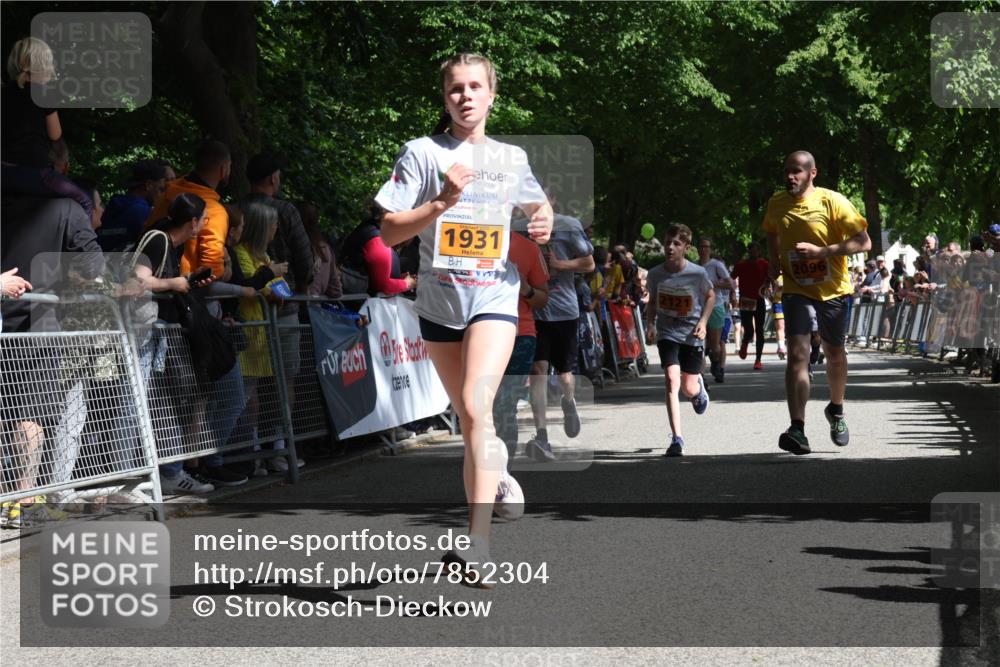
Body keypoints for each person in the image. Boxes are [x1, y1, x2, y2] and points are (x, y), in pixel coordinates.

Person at [375, 53, 552, 586]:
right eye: (456, 88)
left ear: (492, 95)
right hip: (439, 305)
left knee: (476, 408)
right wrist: (440, 202)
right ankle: (495, 474)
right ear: (444, 97)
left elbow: (538, 209)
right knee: (473, 421)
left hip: (494, 297)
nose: (466, 96)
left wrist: (542, 220)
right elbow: (388, 233)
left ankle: (478, 547)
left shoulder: (510, 158)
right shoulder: (422, 153)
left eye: (476, 87)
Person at [763, 151, 871, 455]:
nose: (790, 176)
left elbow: (864, 241)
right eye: (787, 170)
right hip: (796, 289)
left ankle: (836, 409)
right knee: (797, 354)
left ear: (812, 173)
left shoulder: (832, 201)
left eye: (797, 171)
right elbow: (772, 231)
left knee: (834, 354)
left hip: (833, 291)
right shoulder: (776, 203)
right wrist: (774, 264)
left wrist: (823, 252)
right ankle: (797, 428)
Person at [525, 204, 594, 461]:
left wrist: (559, 264)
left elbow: (589, 263)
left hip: (565, 311)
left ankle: (568, 400)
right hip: (536, 311)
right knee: (538, 371)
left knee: (565, 375)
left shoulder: (568, 226)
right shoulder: (520, 229)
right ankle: (542, 437)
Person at [1, 37, 93, 215]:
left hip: (3, 171)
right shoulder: (43, 93)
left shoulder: (2, 93)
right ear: (42, 66)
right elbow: (55, 134)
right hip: (34, 173)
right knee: (85, 201)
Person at [645, 224, 715, 457]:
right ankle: (677, 438)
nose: (670, 247)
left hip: (691, 334)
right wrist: (650, 325)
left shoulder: (697, 273)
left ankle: (698, 390)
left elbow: (710, 296)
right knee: (671, 379)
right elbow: (652, 301)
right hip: (667, 333)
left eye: (676, 243)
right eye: (667, 242)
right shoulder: (655, 274)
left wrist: (703, 322)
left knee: (688, 387)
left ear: (686, 247)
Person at [492, 230, 549, 462]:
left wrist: (526, 289)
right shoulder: (471, 241)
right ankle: (483, 462)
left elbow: (543, 299)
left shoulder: (528, 248)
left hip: (520, 336)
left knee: (505, 404)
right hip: (479, 334)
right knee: (481, 404)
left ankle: (503, 469)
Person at [146, 140, 232, 280]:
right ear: (224, 169)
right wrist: (228, 265)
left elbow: (147, 229)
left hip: (149, 277)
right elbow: (211, 271)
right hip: (183, 287)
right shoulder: (214, 211)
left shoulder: (168, 193)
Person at [338, 200, 417, 297]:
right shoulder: (379, 241)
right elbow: (383, 286)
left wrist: (398, 278)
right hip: (361, 303)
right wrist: (408, 283)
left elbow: (373, 274)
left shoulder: (370, 227)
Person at [97, 160, 168, 252]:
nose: (162, 195)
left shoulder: (111, 207)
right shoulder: (143, 211)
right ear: (148, 185)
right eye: (160, 189)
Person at [697, 237, 733, 382]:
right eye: (701, 246)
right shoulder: (693, 266)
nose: (704, 249)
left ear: (710, 249)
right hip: (698, 308)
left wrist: (712, 284)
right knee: (699, 344)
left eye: (706, 247)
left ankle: (716, 363)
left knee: (715, 346)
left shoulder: (716, 265)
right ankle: (701, 377)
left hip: (716, 306)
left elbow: (730, 284)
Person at [732, 240, 770, 370]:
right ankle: (745, 342)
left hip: (759, 300)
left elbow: (770, 277)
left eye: (755, 250)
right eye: (751, 250)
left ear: (759, 251)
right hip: (746, 300)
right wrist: (732, 294)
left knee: (760, 330)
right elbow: (731, 278)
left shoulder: (764, 264)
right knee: (749, 329)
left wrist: (767, 286)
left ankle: (758, 360)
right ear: (748, 251)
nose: (753, 253)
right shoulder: (741, 265)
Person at [299, 202, 342, 299]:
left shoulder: (286, 246)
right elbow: (336, 290)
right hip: (313, 304)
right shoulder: (323, 249)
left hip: (288, 303)